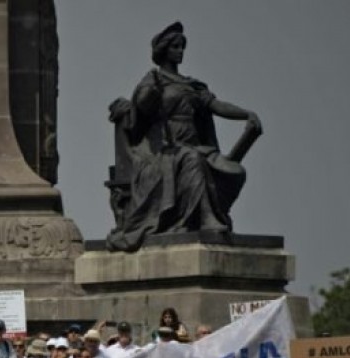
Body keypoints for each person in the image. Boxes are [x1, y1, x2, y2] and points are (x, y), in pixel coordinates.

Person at [106, 21, 261, 251]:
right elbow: (141, 110)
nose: (180, 52)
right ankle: (207, 218)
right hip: (161, 151)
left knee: (234, 171)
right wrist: (151, 94)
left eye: (182, 47)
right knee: (191, 160)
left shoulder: (192, 85)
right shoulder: (153, 81)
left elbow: (216, 105)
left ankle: (210, 215)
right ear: (164, 51)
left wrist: (245, 114)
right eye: (175, 47)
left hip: (195, 147)